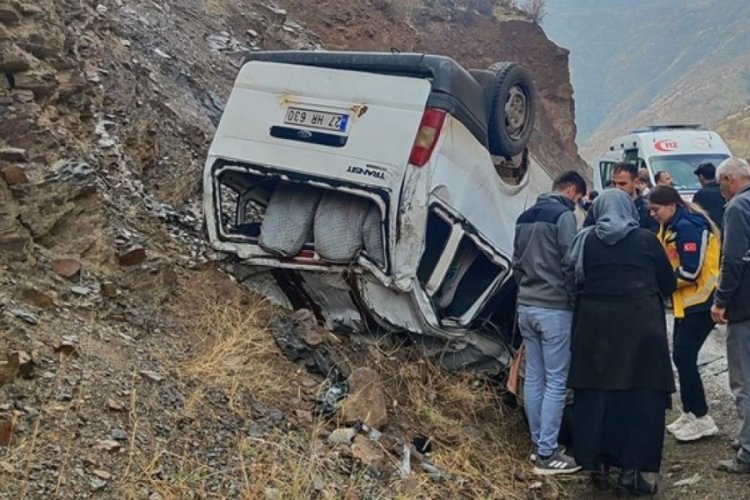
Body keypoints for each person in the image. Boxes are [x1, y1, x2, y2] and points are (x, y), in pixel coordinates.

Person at [566, 189, 676, 495]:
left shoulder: (584, 241)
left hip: (594, 332)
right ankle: (633, 471)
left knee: (597, 398)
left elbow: (572, 281)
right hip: (641, 333)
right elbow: (668, 282)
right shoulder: (645, 240)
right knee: (640, 401)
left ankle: (598, 464)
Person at [512, 170, 586, 475]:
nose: (577, 206)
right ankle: (548, 453)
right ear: (572, 192)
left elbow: (515, 262)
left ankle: (538, 444)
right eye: (578, 200)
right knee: (557, 380)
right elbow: (570, 262)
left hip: (526, 306)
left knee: (535, 379)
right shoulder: (563, 216)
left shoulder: (524, 216)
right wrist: (573, 300)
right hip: (554, 309)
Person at [648, 186, 721, 442]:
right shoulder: (670, 226)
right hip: (685, 302)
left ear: (671, 206)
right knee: (680, 356)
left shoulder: (689, 226)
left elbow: (691, 270)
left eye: (656, 210)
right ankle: (690, 411)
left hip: (701, 301)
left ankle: (701, 417)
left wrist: (661, 284)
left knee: (684, 355)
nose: (653, 214)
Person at [712, 157, 750, 473]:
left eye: (720, 183)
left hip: (745, 308)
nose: (720, 190)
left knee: (744, 381)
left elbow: (733, 260)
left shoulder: (738, 208)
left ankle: (747, 453)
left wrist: (721, 301)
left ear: (729, 179)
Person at [585, 162, 659, 232]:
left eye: (622, 184)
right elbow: (587, 233)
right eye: (614, 183)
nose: (617, 188)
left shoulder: (648, 210)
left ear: (636, 182)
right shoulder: (599, 207)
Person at [693, 162, 726, 231]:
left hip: (711, 232)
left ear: (701, 177)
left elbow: (696, 216)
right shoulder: (724, 189)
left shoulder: (700, 194)